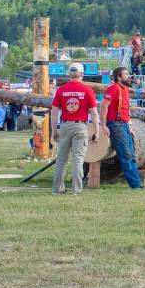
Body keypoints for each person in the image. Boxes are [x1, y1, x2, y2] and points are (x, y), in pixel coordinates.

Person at [50, 62, 99, 196]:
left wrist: (54, 131)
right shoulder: (87, 90)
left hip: (65, 125)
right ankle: (76, 190)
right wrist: (97, 131)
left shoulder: (61, 90)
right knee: (78, 159)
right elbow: (94, 113)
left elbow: (53, 112)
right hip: (80, 126)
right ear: (82, 74)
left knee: (61, 159)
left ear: (69, 74)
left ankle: (57, 189)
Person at [100, 66, 144, 189]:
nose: (128, 76)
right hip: (115, 124)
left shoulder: (125, 89)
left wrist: (129, 127)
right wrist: (103, 124)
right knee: (126, 155)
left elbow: (126, 109)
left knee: (131, 154)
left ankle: (137, 183)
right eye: (125, 74)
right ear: (118, 77)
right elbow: (104, 106)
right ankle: (135, 185)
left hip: (123, 124)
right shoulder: (113, 88)